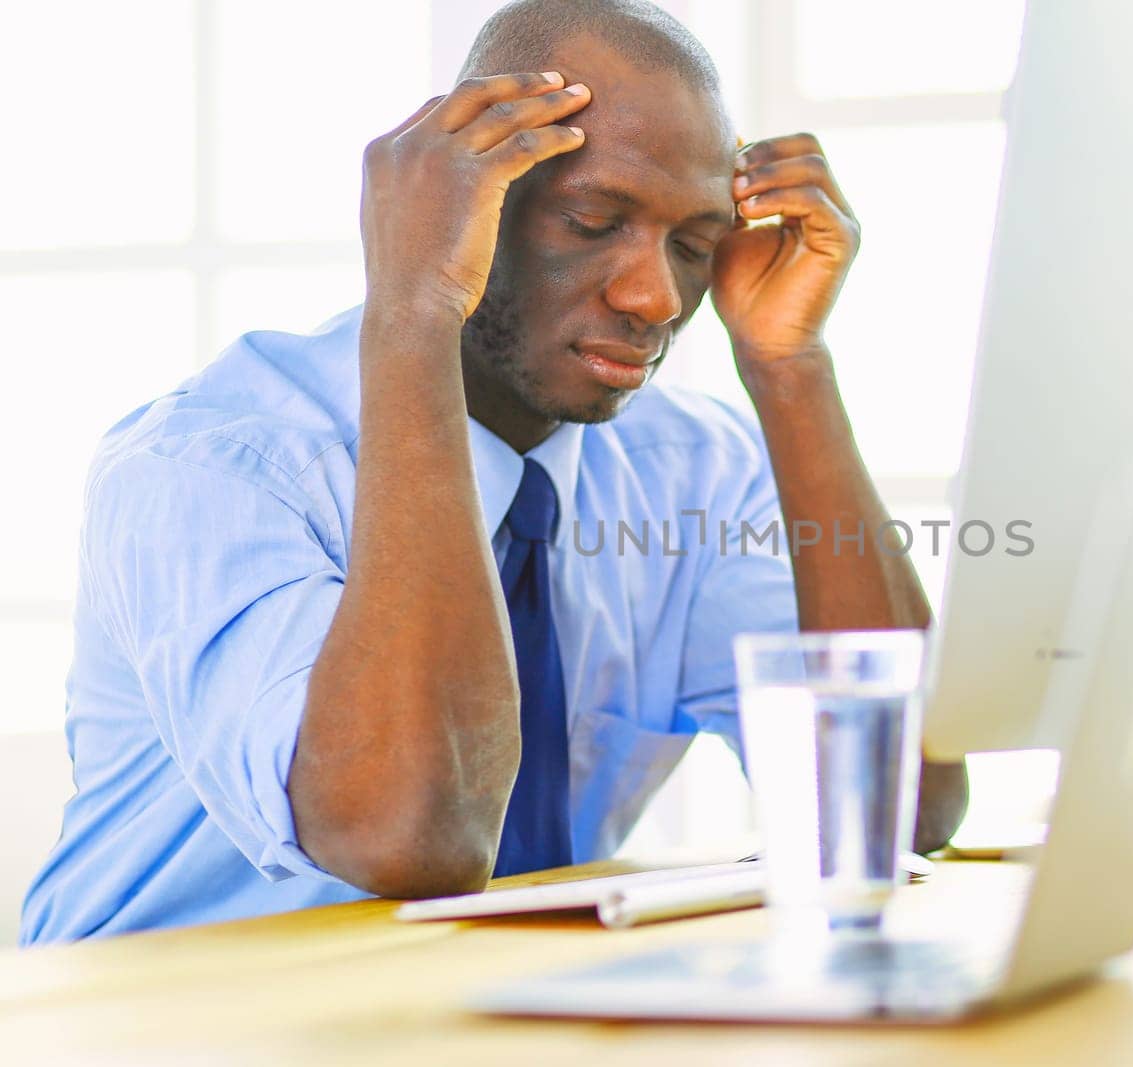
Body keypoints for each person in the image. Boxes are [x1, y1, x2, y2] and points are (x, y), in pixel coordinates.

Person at [21, 0, 967, 944]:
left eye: (692, 245)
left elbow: (897, 809)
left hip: (489, 1013)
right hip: (174, 1019)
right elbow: (406, 836)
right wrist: (415, 308)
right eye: (594, 220)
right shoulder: (215, 467)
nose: (656, 298)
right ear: (466, 199)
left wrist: (791, 369)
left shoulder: (692, 471)